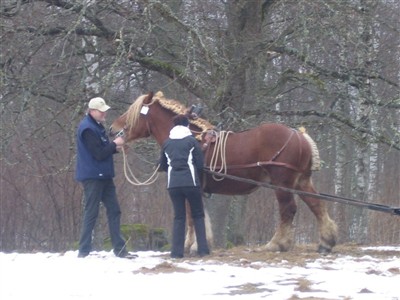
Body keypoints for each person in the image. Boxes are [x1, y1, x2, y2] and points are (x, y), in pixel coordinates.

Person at [75, 97, 131, 258]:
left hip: (104, 175)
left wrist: (116, 149)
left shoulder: (96, 126)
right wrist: (115, 144)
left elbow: (102, 150)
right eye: (102, 111)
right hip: (93, 176)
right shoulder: (87, 129)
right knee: (91, 212)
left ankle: (119, 249)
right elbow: (98, 154)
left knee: (114, 210)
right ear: (92, 111)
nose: (104, 113)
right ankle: (84, 250)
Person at [159, 114, 210, 258]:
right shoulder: (191, 141)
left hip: (173, 185)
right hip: (191, 182)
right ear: (187, 126)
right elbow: (199, 165)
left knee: (179, 217)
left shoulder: (166, 143)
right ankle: (203, 250)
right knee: (198, 215)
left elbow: (163, 165)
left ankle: (176, 252)